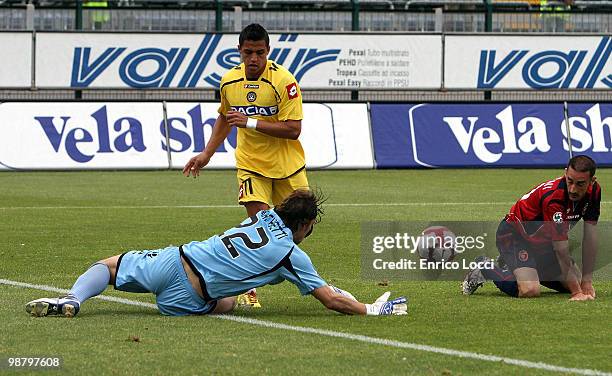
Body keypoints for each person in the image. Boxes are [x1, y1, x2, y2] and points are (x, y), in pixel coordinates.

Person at [26, 190, 407, 318]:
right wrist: (370, 308)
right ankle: (226, 296)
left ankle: (72, 299)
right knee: (227, 301)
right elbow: (329, 301)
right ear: (304, 224)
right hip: (189, 299)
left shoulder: (264, 215)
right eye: (311, 226)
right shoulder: (293, 255)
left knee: (107, 266)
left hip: (174, 260)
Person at [183, 23, 308, 219]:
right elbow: (225, 117)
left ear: (268, 50)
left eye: (260, 53)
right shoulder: (229, 81)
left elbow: (293, 130)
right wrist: (207, 153)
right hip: (250, 164)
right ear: (239, 50)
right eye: (248, 52)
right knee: (262, 224)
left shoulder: (285, 81)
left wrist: (249, 122)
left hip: (287, 166)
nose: (253, 59)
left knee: (299, 227)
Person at [462, 155, 600, 301]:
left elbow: (590, 236)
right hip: (515, 235)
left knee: (577, 281)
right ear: (565, 173)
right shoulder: (554, 198)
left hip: (543, 242)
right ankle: (485, 267)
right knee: (530, 290)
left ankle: (521, 267)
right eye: (570, 181)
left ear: (592, 181)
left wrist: (586, 281)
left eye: (580, 184)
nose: (573, 189)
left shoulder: (594, 192)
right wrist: (577, 293)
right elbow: (560, 249)